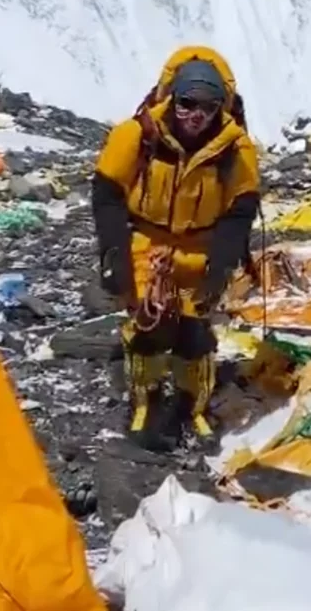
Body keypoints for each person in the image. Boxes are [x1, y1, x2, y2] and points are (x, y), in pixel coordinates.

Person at [90, 46, 260, 443]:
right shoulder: (135, 135)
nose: (196, 115)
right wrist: (113, 254)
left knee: (194, 335)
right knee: (149, 330)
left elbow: (241, 209)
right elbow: (108, 195)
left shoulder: (235, 150)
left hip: (201, 249)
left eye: (208, 106)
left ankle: (190, 406)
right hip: (145, 245)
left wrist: (221, 266)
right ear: (171, 97)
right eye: (186, 103)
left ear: (222, 107)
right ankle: (145, 405)